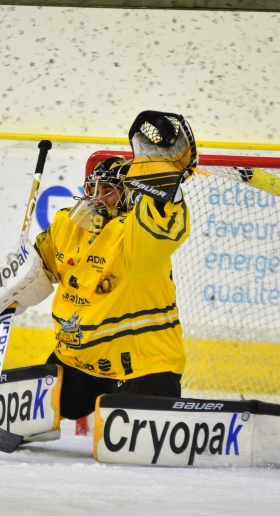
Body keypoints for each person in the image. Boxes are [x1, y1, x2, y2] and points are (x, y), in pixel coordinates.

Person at [33, 117, 194, 420]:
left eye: (108, 190)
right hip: (80, 361)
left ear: (130, 195)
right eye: (92, 187)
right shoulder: (67, 225)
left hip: (144, 364)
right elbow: (38, 267)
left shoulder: (134, 235)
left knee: (125, 427)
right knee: (57, 406)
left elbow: (164, 222)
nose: (97, 198)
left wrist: (162, 177)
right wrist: (13, 282)